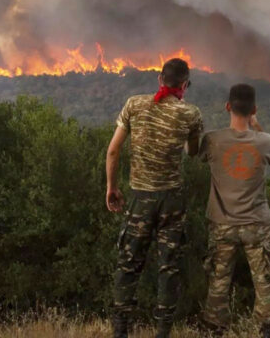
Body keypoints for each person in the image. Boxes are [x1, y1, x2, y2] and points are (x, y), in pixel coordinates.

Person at [105, 58, 203, 338]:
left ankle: (120, 331)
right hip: (172, 201)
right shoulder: (191, 113)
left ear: (160, 80)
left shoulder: (134, 104)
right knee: (168, 267)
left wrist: (111, 187)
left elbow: (113, 152)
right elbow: (193, 152)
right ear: (184, 84)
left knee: (128, 264)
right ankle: (162, 333)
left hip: (140, 199)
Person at [199, 83, 270, 338]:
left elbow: (196, 153)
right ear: (254, 109)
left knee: (218, 283)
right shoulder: (265, 141)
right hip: (257, 225)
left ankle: (215, 331)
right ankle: (268, 331)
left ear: (227, 106)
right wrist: (256, 124)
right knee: (265, 283)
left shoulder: (212, 140)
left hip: (222, 224)